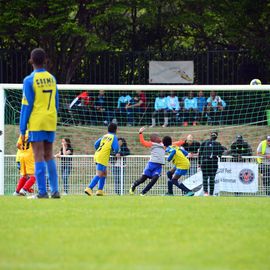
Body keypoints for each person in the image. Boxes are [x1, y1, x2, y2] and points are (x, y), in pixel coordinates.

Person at [20, 47, 60, 199]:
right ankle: (55, 190)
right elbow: (56, 102)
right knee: (49, 155)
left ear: (31, 61)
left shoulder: (29, 80)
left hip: (37, 121)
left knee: (38, 156)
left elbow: (26, 105)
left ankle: (42, 192)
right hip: (51, 119)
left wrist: (22, 129)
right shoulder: (52, 78)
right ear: (45, 61)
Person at [85, 123, 119, 196]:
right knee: (99, 174)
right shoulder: (114, 137)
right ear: (116, 130)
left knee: (104, 173)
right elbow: (116, 149)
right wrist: (113, 152)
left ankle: (100, 191)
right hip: (103, 157)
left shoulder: (104, 136)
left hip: (97, 154)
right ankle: (89, 188)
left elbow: (96, 144)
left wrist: (101, 150)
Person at [129, 127, 165, 196]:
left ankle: (143, 192)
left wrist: (183, 141)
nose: (159, 138)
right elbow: (143, 142)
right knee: (142, 179)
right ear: (154, 139)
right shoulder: (152, 144)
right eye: (157, 137)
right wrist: (140, 133)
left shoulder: (163, 144)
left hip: (158, 166)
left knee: (154, 179)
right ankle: (133, 185)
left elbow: (173, 144)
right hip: (151, 164)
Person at [198, 131, 226, 196]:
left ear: (210, 136)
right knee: (212, 179)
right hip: (213, 163)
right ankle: (211, 193)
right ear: (216, 137)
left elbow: (200, 153)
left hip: (205, 162)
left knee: (205, 178)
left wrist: (199, 163)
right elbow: (220, 154)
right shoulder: (218, 144)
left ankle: (205, 193)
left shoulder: (204, 142)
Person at [13, 132, 36, 196]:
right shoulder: (34, 133)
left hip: (22, 156)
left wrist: (24, 151)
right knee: (33, 176)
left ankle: (17, 192)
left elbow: (17, 145)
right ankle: (24, 190)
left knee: (25, 176)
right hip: (29, 156)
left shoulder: (23, 133)